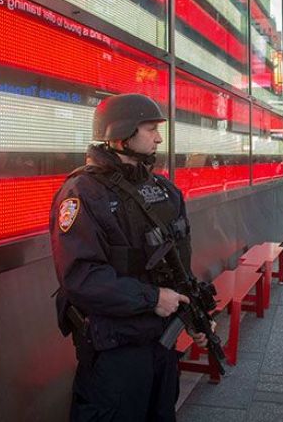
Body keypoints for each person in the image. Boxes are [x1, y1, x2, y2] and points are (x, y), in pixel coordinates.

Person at [50, 93, 209, 421]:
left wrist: (193, 316)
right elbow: (81, 277)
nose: (159, 137)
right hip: (115, 352)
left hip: (162, 347)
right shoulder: (83, 193)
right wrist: (152, 298)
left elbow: (179, 264)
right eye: (150, 128)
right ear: (121, 134)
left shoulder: (166, 191)